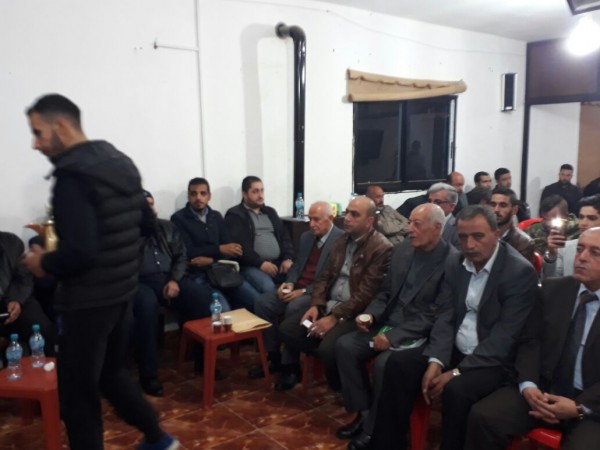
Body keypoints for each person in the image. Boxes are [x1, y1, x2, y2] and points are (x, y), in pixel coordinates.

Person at [22, 94, 178, 450]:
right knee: (110, 374)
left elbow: (80, 253)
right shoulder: (119, 161)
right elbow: (147, 223)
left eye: (38, 132)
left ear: (61, 126)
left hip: (87, 302)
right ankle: (158, 438)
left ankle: (157, 439)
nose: (35, 144)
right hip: (122, 293)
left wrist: (42, 263)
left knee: (76, 396)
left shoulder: (73, 177)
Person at [370, 205, 538, 450]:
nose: (469, 245)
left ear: (496, 234)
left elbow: (504, 339)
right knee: (399, 365)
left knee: (456, 389)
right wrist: (436, 360)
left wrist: (455, 372)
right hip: (456, 348)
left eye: (478, 236)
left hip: (491, 361)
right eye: (463, 237)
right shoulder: (457, 262)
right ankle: (387, 444)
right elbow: (446, 314)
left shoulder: (518, 272)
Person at [466, 227, 600, 450]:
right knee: (484, 417)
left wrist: (579, 407)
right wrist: (528, 385)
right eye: (580, 249)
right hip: (544, 389)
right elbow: (530, 341)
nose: (582, 257)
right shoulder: (554, 289)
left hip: (592, 404)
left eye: (595, 253)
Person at [336, 203, 457, 448]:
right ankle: (365, 414)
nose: (409, 229)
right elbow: (385, 292)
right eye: (409, 222)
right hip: (388, 321)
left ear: (437, 228)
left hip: (418, 332)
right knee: (345, 346)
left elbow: (435, 314)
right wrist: (370, 315)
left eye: (416, 224)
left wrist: (394, 337)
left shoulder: (451, 261)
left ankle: (373, 431)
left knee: (385, 364)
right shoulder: (403, 250)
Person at [277, 196, 393, 392]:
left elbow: (365, 294)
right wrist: (316, 305)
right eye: (347, 212)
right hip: (329, 305)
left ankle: (340, 385)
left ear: (369, 221)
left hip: (354, 313)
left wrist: (333, 318)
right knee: (288, 329)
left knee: (329, 348)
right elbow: (323, 278)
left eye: (354, 214)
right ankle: (332, 360)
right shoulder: (341, 241)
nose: (346, 218)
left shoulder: (381, 248)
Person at [132, 191, 220, 397]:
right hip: (140, 283)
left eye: (151, 204)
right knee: (146, 307)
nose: (150, 209)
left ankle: (203, 361)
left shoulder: (167, 227)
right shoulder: (125, 234)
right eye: (145, 206)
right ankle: (148, 375)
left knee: (201, 297)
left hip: (170, 278)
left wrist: (174, 280)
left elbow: (182, 257)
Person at [249, 201, 343, 379]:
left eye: (317, 220)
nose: (312, 224)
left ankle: (290, 365)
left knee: (294, 306)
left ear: (330, 219)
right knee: (262, 302)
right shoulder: (307, 237)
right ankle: (273, 356)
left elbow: (333, 278)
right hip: (298, 286)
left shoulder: (340, 240)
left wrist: (304, 292)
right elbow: (298, 265)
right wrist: (290, 283)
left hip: (318, 293)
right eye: (310, 219)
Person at [170, 177, 250, 309]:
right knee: (223, 309)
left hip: (220, 269)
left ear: (209, 196)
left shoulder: (216, 216)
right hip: (197, 274)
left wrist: (212, 259)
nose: (198, 198)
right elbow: (188, 251)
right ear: (188, 197)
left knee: (254, 300)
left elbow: (229, 248)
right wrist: (219, 249)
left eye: (203, 193)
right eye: (194, 194)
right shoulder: (178, 219)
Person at [225, 176, 294, 309]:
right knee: (268, 288)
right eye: (255, 191)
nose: (260, 195)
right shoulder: (236, 215)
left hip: (278, 263)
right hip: (251, 265)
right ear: (245, 194)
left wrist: (288, 258)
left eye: (262, 190)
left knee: (298, 279)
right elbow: (241, 247)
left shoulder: (270, 212)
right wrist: (260, 263)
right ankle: (271, 319)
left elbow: (285, 237)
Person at [0, 231, 55, 356]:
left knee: (41, 328)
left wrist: (16, 300)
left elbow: (23, 279)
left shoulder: (11, 243)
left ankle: (48, 365)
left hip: (9, 301)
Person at [544, 194, 600, 278]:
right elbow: (550, 281)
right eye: (581, 217)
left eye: (591, 218)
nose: (583, 223)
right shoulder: (565, 248)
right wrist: (552, 255)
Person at [489, 188, 535, 264]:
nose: (496, 210)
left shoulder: (524, 242)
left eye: (503, 205)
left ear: (514, 210)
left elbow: (521, 270)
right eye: (493, 205)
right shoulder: (480, 235)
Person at [427, 182, 460, 249]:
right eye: (430, 201)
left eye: (438, 202)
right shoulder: (422, 222)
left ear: (452, 206)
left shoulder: (458, 228)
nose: (431, 205)